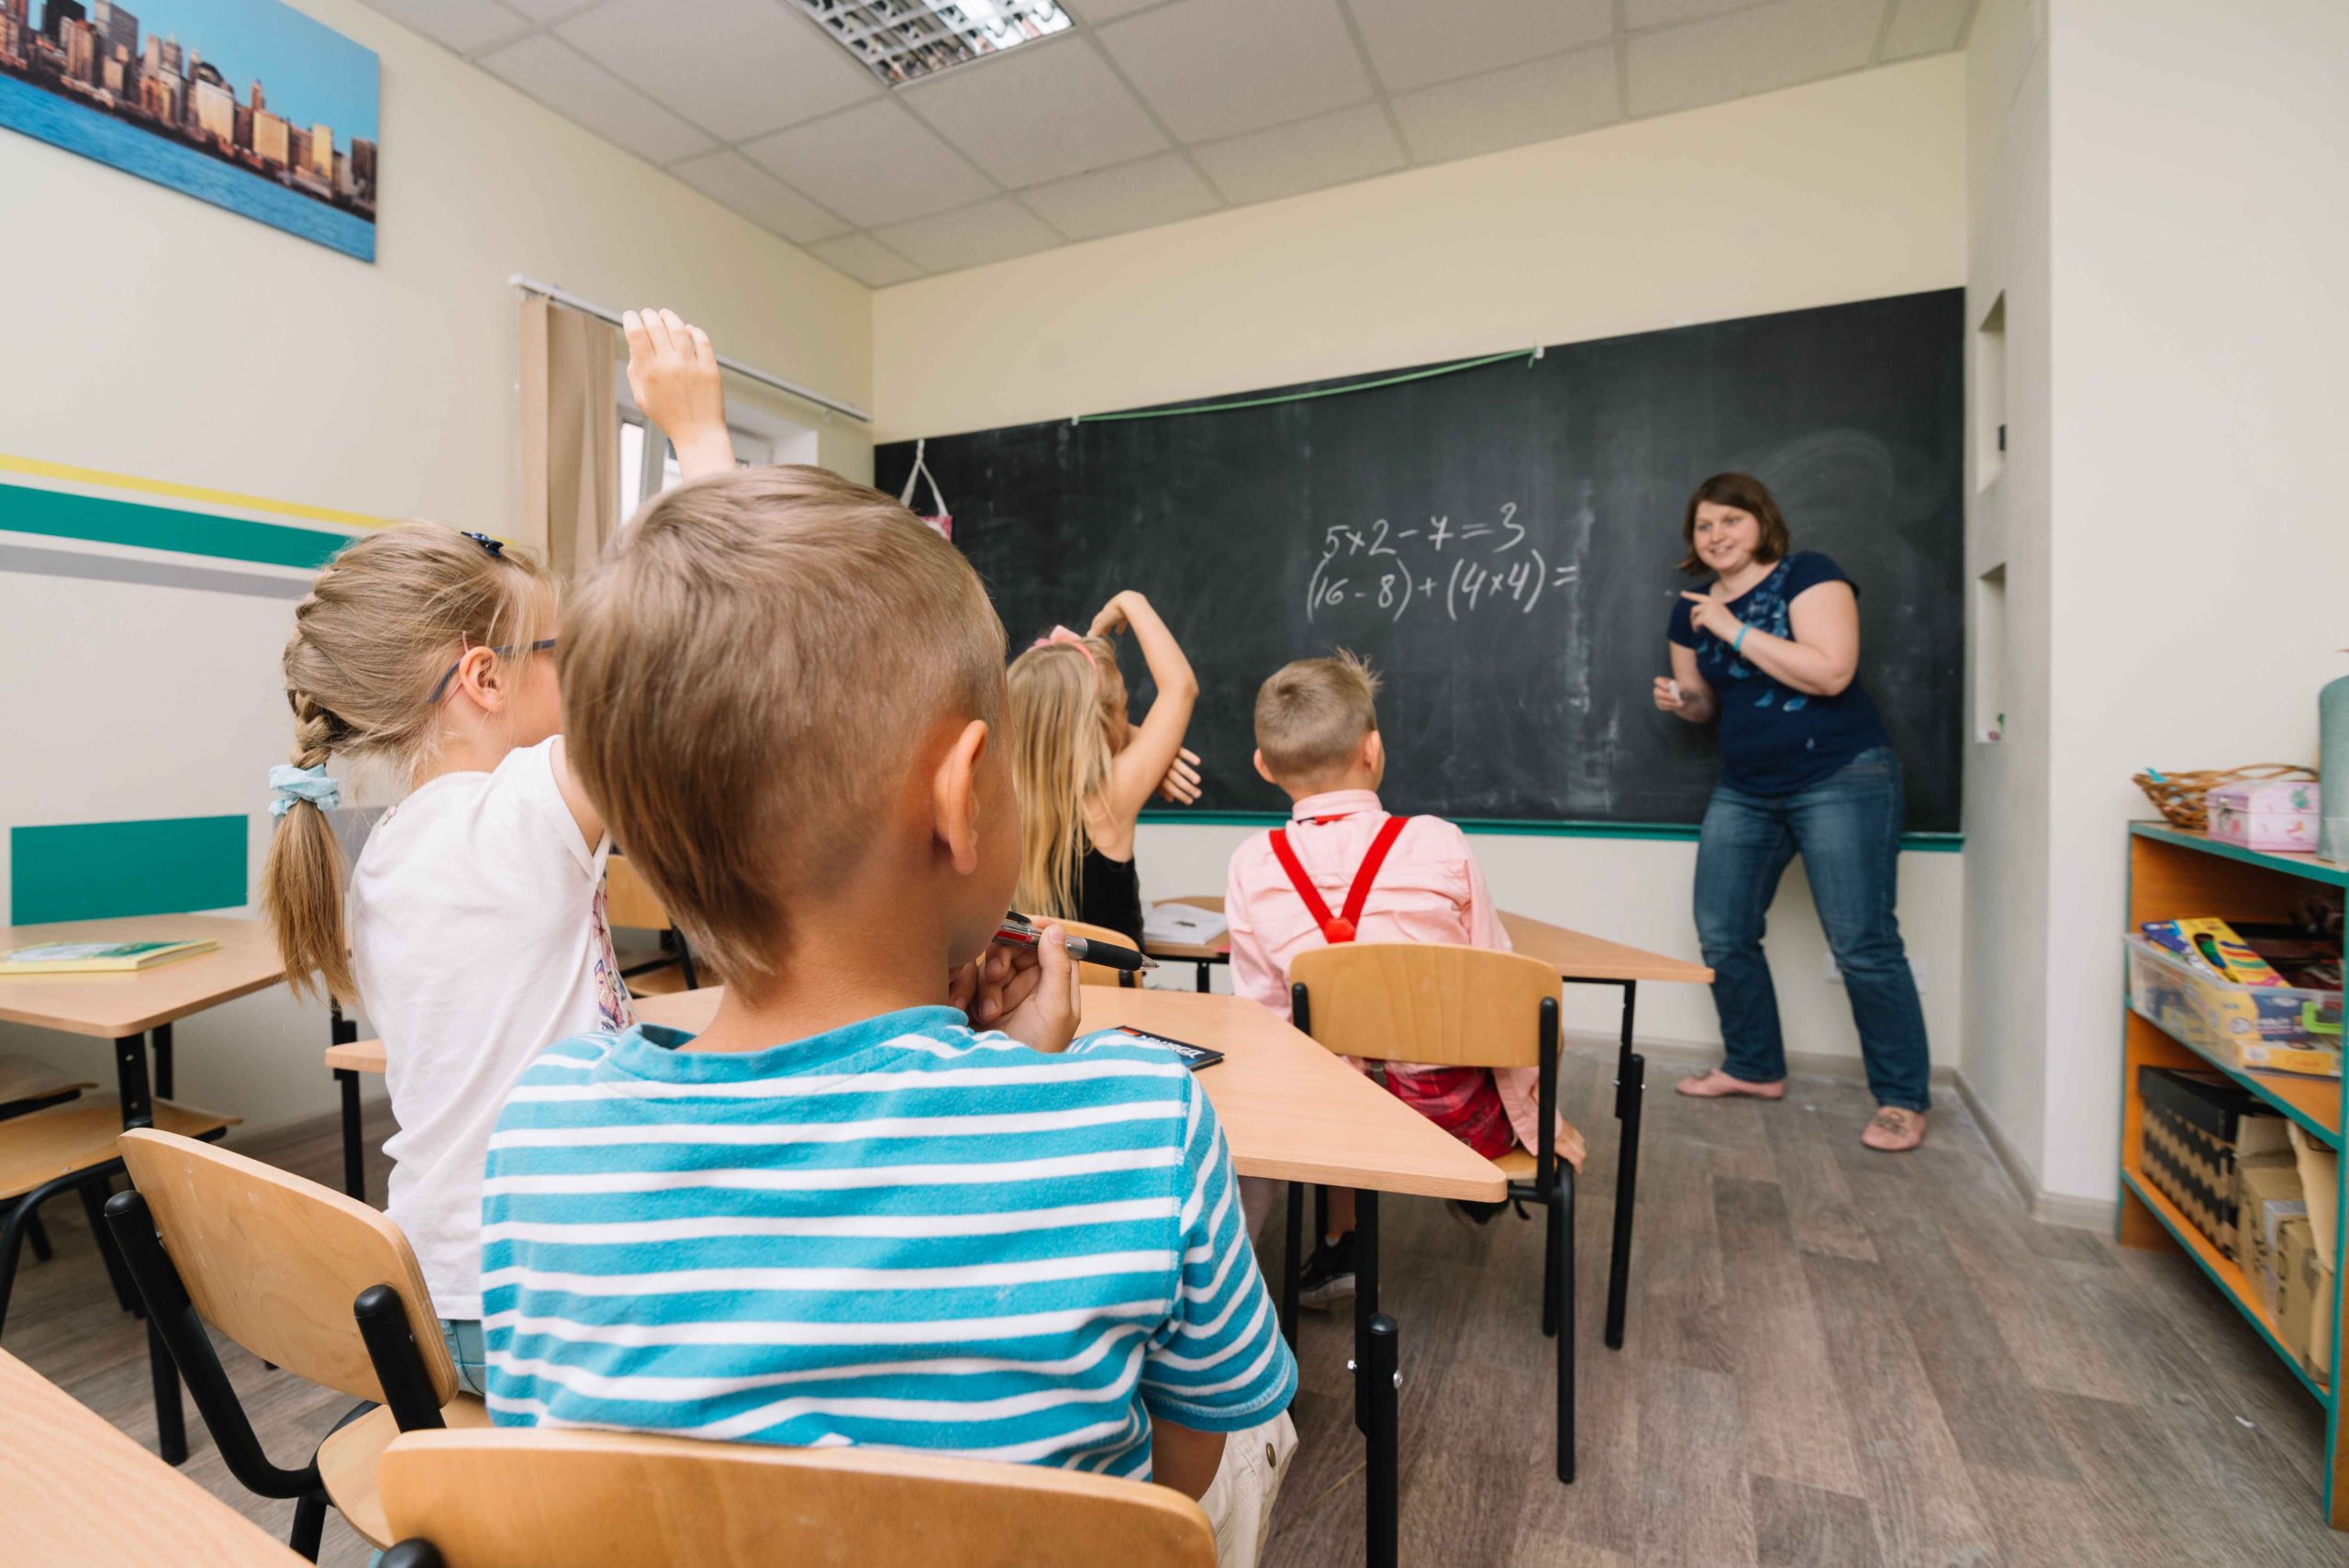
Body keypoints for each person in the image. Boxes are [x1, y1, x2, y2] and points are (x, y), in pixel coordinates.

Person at [481, 465, 1298, 1566]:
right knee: (1261, 1435)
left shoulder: (543, 1131)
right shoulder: (1140, 1123)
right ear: (963, 796)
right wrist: (1031, 1086)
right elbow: (1172, 1480)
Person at [257, 309, 731, 1386]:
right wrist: (697, 442)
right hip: (550, 1299)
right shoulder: (519, 814)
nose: (581, 677)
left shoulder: (384, 853)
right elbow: (694, 644)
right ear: (484, 678)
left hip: (444, 1293)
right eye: (561, 651)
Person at [1226, 652, 1585, 1307]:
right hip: (1453, 1120)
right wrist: (1544, 1121)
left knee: (1336, 1060)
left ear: (1264, 767)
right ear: (1374, 749)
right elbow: (1503, 992)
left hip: (1330, 1125)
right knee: (1482, 1034)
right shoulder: (1437, 842)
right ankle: (1464, 1188)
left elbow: (1265, 1019)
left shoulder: (1253, 864)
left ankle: (1342, 1242)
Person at [1653, 472, 1932, 1152]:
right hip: (1747, 785)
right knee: (1722, 932)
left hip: (1841, 774)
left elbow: (1831, 671)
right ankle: (1753, 1066)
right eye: (1704, 526)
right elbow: (1705, 702)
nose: (1716, 535)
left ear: (1761, 521)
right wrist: (1682, 701)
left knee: (1862, 944)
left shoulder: (1809, 574)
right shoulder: (1688, 607)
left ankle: (1901, 1098)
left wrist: (1731, 626)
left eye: (1730, 521)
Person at [1004, 591, 1200, 945]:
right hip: (1116, 1000)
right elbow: (1180, 687)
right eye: (1126, 713)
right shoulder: (1109, 802)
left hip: (1030, 998)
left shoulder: (998, 809)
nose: (1130, 724)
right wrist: (1130, 600)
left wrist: (1142, 744)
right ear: (1100, 728)